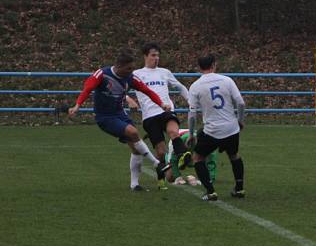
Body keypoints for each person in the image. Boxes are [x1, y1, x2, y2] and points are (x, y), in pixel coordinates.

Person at [68, 49, 173, 191]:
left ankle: (134, 184)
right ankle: (156, 164)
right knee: (134, 133)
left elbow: (147, 91)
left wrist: (161, 104)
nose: (131, 71)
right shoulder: (103, 74)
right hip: (105, 117)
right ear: (118, 66)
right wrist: (77, 105)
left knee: (135, 148)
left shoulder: (131, 78)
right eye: (128, 68)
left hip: (120, 114)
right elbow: (87, 88)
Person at [126, 42, 192, 190]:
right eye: (153, 55)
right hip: (150, 116)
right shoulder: (136, 74)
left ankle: (183, 156)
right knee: (161, 152)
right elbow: (120, 89)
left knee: (174, 132)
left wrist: (190, 101)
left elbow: (180, 87)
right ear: (145, 56)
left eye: (158, 55)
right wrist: (129, 99)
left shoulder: (165, 72)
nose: (156, 58)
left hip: (166, 111)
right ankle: (161, 177)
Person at [187, 54, 247, 201]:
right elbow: (241, 103)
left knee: (197, 158)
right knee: (234, 155)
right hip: (231, 128)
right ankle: (239, 188)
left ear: (199, 67)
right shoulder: (227, 80)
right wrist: (239, 120)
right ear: (214, 65)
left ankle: (210, 191)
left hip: (212, 131)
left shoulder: (195, 86)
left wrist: (191, 134)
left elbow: (192, 114)